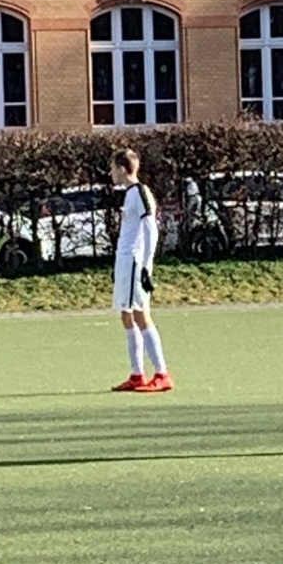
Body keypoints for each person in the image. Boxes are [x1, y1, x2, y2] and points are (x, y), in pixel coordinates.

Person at [110, 148, 174, 393]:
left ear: (122, 169)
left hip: (135, 262)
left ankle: (162, 374)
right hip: (125, 262)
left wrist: (147, 265)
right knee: (126, 315)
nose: (111, 173)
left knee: (141, 315)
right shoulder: (129, 195)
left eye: (113, 168)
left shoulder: (140, 192)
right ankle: (137, 374)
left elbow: (151, 229)